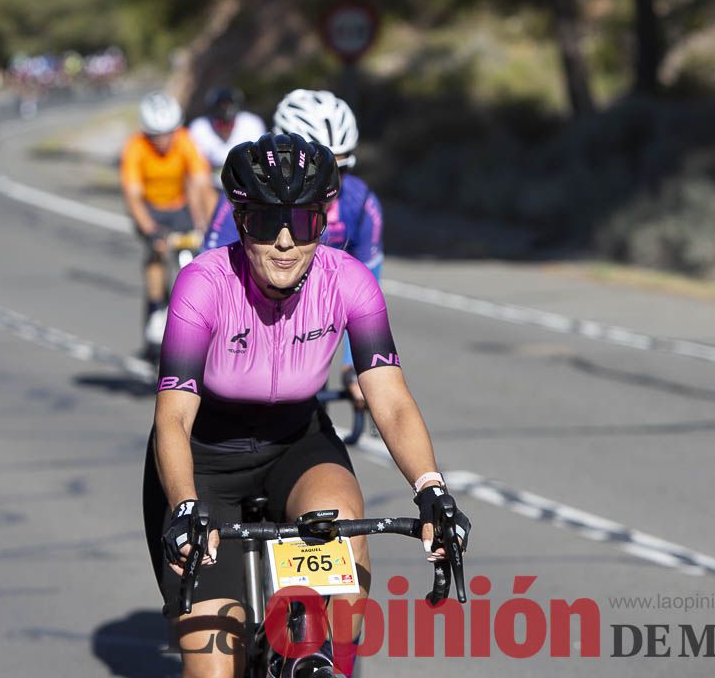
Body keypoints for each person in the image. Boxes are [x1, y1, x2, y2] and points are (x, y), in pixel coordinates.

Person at [143, 133, 469, 677]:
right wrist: (183, 506)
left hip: (297, 443)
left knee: (344, 532)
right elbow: (173, 417)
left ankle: (323, 666)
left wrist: (431, 489)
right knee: (212, 668)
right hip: (204, 461)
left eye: (305, 222)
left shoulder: (350, 283)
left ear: (324, 222)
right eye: (267, 222)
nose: (286, 242)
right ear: (240, 221)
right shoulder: (202, 284)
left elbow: (390, 401)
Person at [203, 89, 383, 413]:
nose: (330, 186)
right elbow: (209, 281)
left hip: (309, 344)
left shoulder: (361, 203)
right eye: (319, 170)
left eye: (340, 172)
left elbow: (367, 287)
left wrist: (355, 365)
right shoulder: (248, 198)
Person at [120, 92, 213, 351]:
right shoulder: (136, 147)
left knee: (191, 258)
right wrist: (150, 231)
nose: (163, 141)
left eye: (168, 133)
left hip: (178, 206)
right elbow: (133, 196)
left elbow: (201, 182)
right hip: (150, 210)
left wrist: (207, 224)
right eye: (156, 135)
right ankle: (156, 308)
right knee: (157, 254)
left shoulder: (184, 141)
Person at [187, 86, 266, 171]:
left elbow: (259, 161)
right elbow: (194, 165)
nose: (225, 109)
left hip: (246, 178)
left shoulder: (252, 123)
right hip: (210, 179)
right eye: (221, 105)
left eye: (229, 104)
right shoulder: (199, 127)